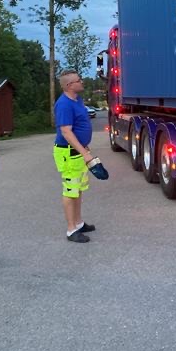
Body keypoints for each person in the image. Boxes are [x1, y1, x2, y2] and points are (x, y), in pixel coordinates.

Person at [53, 69, 108, 243]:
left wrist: (85, 147)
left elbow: (79, 126)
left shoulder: (77, 100)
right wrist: (85, 154)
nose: (82, 82)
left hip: (79, 152)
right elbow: (66, 132)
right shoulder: (63, 104)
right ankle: (71, 230)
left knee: (78, 190)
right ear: (69, 85)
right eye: (79, 80)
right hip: (69, 153)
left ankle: (78, 223)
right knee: (70, 191)